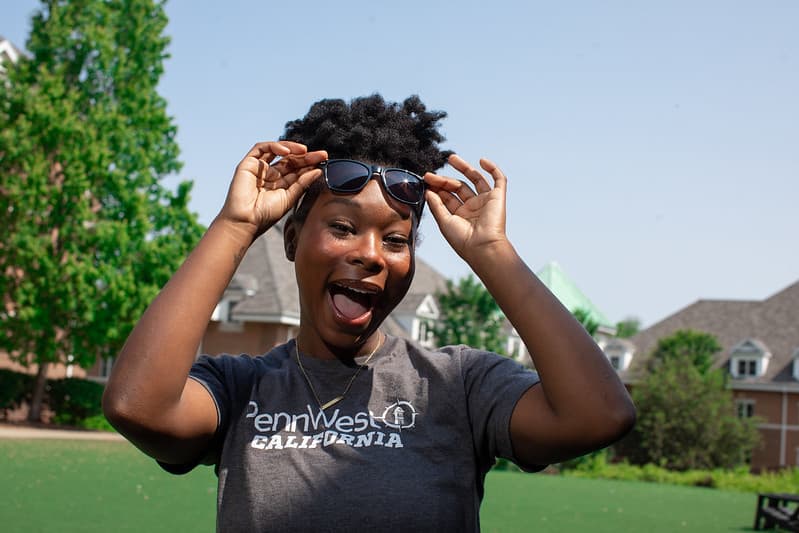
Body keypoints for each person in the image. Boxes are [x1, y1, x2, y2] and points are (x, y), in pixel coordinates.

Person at [103, 94, 635, 532]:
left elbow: (598, 416)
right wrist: (236, 225)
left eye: (397, 239)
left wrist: (490, 251)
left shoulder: (459, 386)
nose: (372, 254)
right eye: (342, 227)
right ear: (292, 239)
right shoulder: (239, 388)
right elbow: (137, 406)